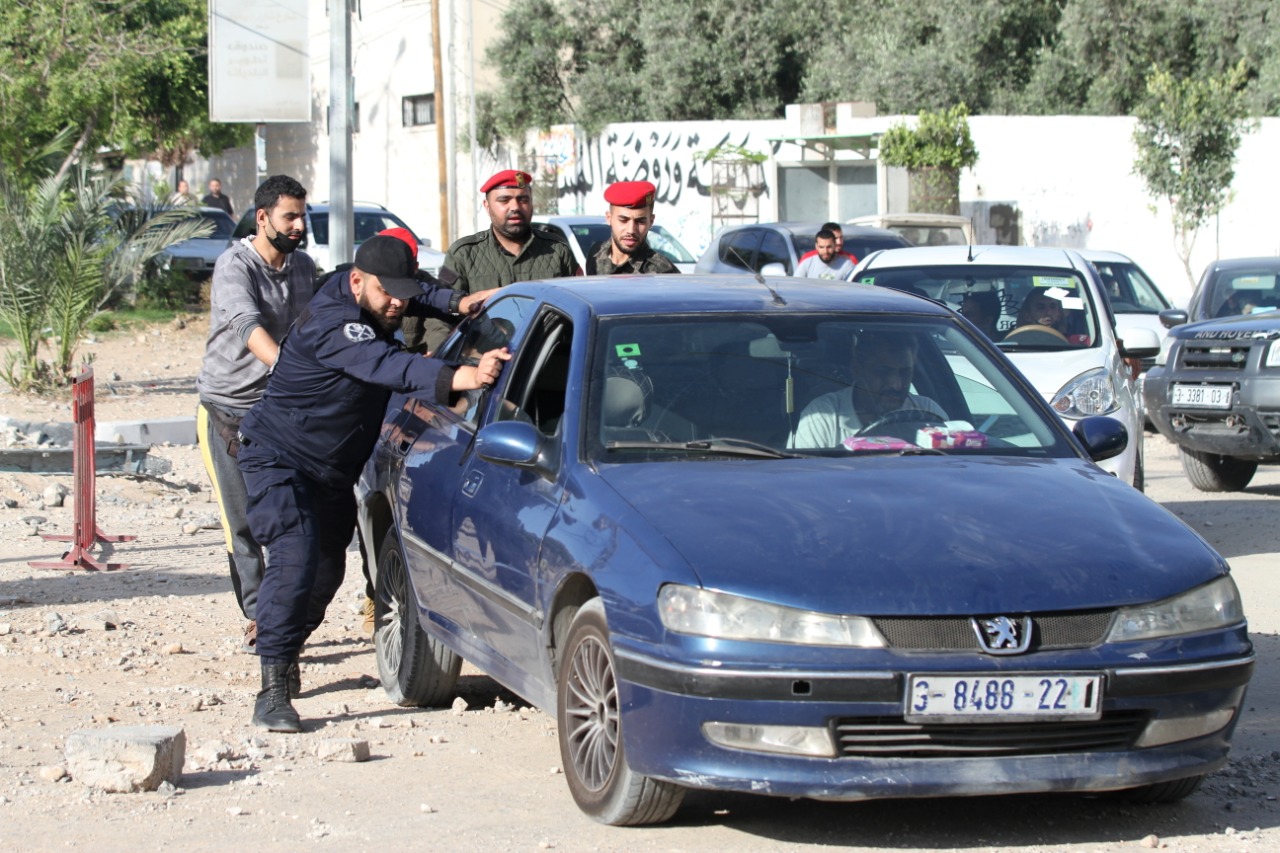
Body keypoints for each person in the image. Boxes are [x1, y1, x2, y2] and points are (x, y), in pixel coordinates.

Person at [237, 235, 506, 732]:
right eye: (388, 294)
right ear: (357, 282)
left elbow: (415, 291)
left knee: (325, 572)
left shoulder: (368, 285)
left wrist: (455, 302)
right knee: (295, 553)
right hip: (279, 457)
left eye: (402, 292)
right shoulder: (334, 323)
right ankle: (272, 688)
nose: (398, 304)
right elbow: (390, 366)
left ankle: (286, 643)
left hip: (331, 469)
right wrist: (464, 376)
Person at [195, 175, 316, 653]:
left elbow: (316, 328)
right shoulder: (233, 265)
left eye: (303, 215)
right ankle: (257, 615)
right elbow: (248, 325)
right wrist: (290, 367)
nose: (299, 225)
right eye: (290, 216)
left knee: (290, 518)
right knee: (242, 523)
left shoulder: (304, 267)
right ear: (263, 218)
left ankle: (283, 610)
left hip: (282, 413)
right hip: (226, 411)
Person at [402, 169, 579, 353]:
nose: (515, 207)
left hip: (544, 360)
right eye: (504, 200)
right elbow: (442, 311)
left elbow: (577, 305)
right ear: (487, 206)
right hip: (483, 363)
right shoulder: (462, 253)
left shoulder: (557, 250)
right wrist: (440, 353)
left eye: (523, 199)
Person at [790, 331, 946, 449]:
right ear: (857, 369)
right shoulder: (822, 418)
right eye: (883, 372)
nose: (895, 385)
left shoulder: (928, 414)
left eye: (905, 373)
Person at [584, 181, 679, 275]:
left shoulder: (662, 272)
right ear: (609, 218)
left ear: (651, 221)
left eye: (640, 221)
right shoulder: (596, 253)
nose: (631, 230)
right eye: (623, 220)